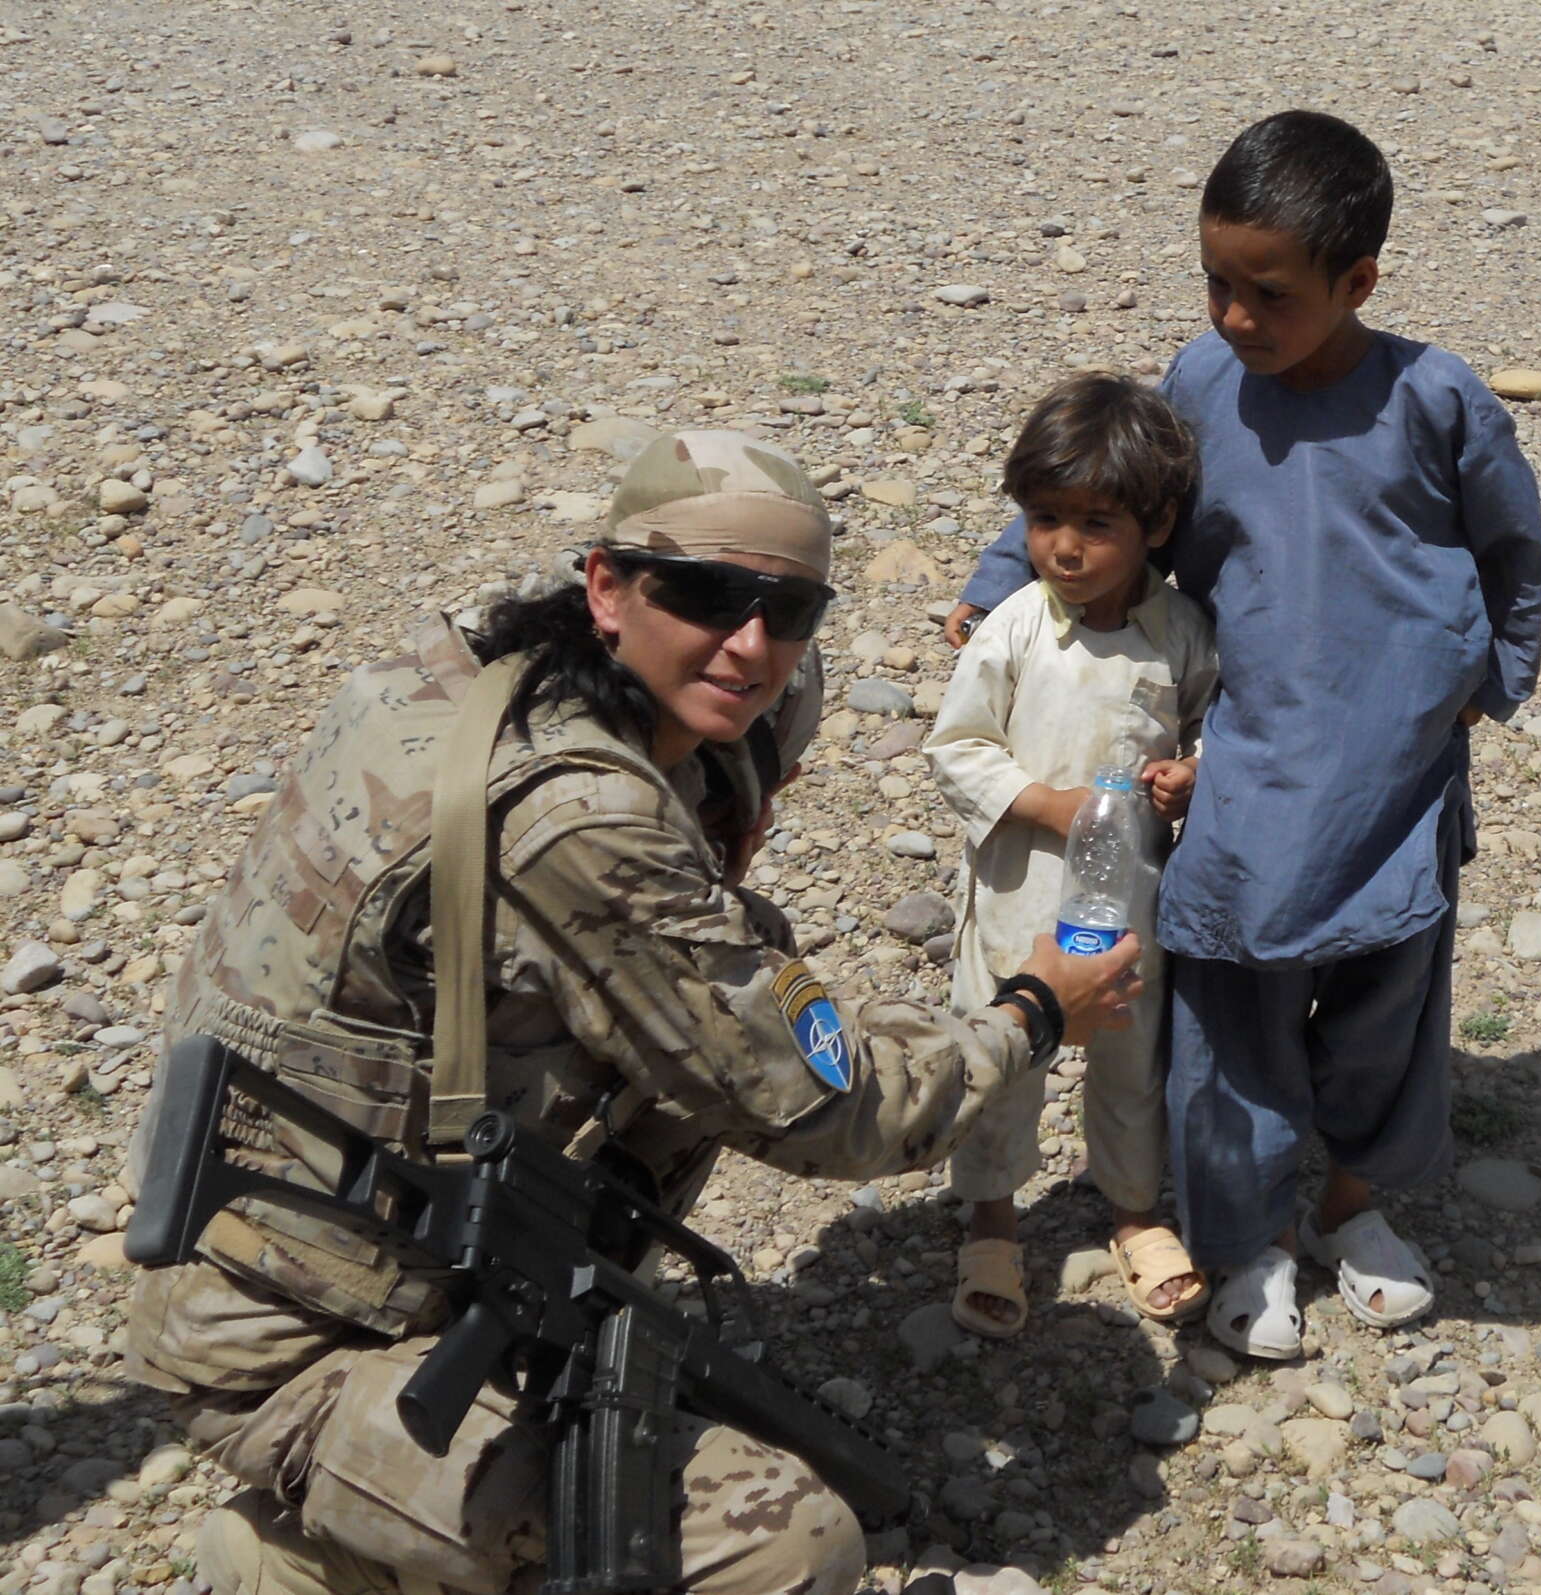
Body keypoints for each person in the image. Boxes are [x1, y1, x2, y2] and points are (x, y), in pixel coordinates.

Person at [123, 429, 1143, 1595]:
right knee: (790, 1545)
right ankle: (298, 1564)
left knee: (739, 961)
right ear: (607, 585)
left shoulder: (472, 683)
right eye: (708, 593)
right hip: (293, 1343)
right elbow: (832, 1112)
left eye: (790, 607)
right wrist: (1030, 1012)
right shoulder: (582, 819)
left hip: (314, 1233)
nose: (751, 643)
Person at [941, 111, 1541, 1360]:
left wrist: (1495, 674)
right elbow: (1123, 479)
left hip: (1395, 763)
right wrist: (1010, 562)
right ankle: (1250, 1235)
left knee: (1390, 996)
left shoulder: (1435, 400)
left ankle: (1350, 1205)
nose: (1233, 317)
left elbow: (1511, 546)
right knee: (1233, 999)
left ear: (1358, 282)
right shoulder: (1203, 381)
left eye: (1267, 293)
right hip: (1245, 757)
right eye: (1215, 282)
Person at [923, 374, 1218, 1339]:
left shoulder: (1178, 632)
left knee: (1130, 1061)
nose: (1063, 546)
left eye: (1095, 523)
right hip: (1016, 899)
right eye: (1045, 518)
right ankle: (993, 1218)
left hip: (1127, 906)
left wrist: (1188, 774)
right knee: (1004, 1057)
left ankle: (1133, 1207)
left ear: (1157, 523)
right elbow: (957, 744)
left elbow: (1211, 725)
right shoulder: (1013, 625)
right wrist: (1046, 804)